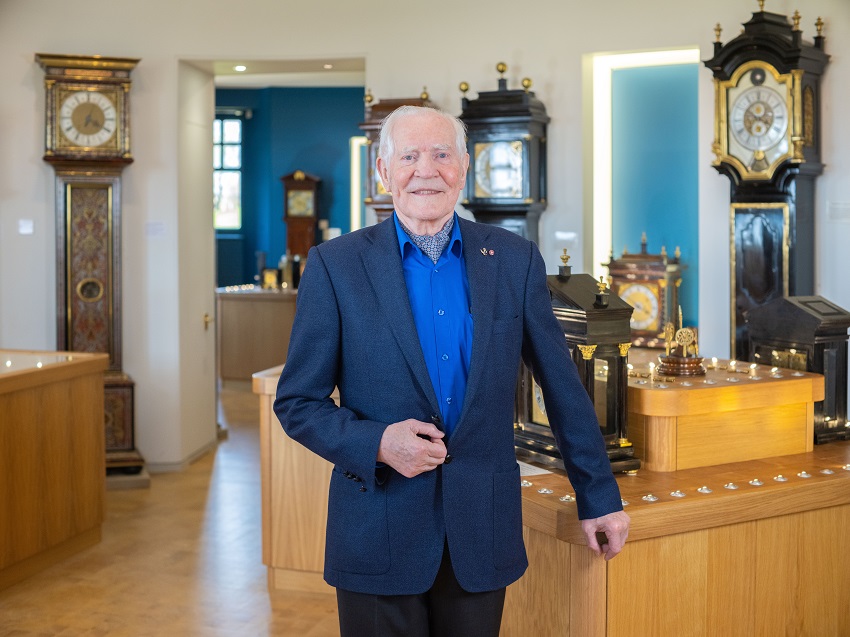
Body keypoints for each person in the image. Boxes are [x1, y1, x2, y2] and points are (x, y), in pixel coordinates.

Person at [274, 105, 629, 637]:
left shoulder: (514, 259)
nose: (426, 170)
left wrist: (598, 497)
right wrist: (378, 443)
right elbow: (297, 402)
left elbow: (562, 388)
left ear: (464, 167)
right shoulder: (335, 266)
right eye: (410, 156)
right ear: (383, 170)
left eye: (442, 155)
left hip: (480, 530)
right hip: (377, 528)